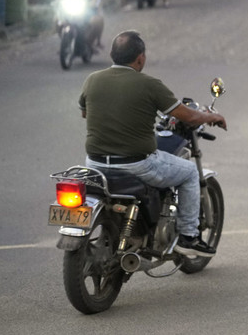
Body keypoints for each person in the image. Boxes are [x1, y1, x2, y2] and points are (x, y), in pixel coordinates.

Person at [79, 31, 226, 257]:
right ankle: (188, 237)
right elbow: (189, 116)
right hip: (135, 165)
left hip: (95, 164)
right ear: (140, 58)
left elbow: (85, 112)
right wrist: (212, 117)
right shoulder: (149, 85)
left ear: (111, 55)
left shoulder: (92, 79)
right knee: (189, 172)